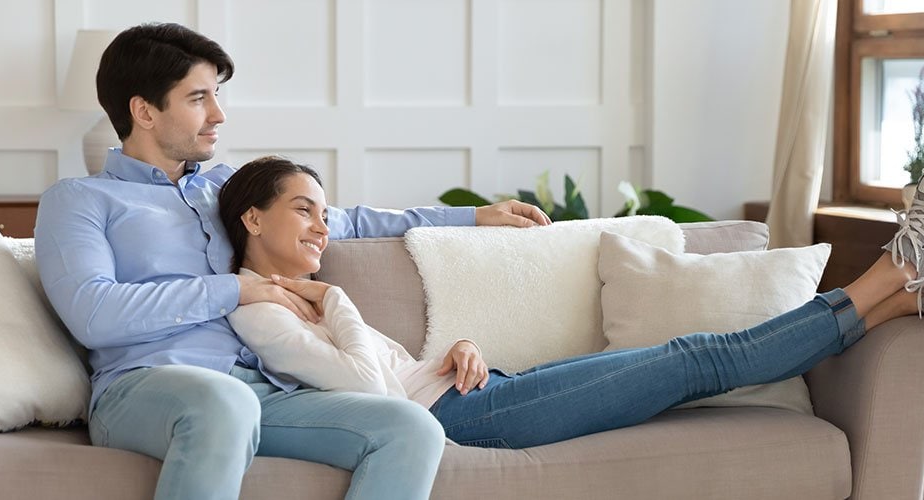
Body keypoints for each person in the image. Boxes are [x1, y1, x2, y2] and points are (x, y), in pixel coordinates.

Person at [34, 23, 550, 500]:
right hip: (145, 387)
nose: (218, 114)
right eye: (198, 98)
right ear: (144, 111)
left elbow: (348, 221)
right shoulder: (80, 199)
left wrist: (473, 216)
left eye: (217, 94)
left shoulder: (224, 188)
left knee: (409, 426)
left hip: (267, 388)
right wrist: (237, 289)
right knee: (224, 403)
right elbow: (94, 313)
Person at [221, 156, 924, 451]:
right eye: (303, 210)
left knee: (692, 360)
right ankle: (889, 274)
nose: (324, 225)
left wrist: (449, 353)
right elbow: (364, 392)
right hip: (463, 420)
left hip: (479, 390)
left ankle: (902, 307)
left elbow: (390, 373)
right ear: (252, 219)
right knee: (695, 358)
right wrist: (333, 298)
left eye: (326, 211)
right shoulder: (258, 311)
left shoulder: (299, 299)